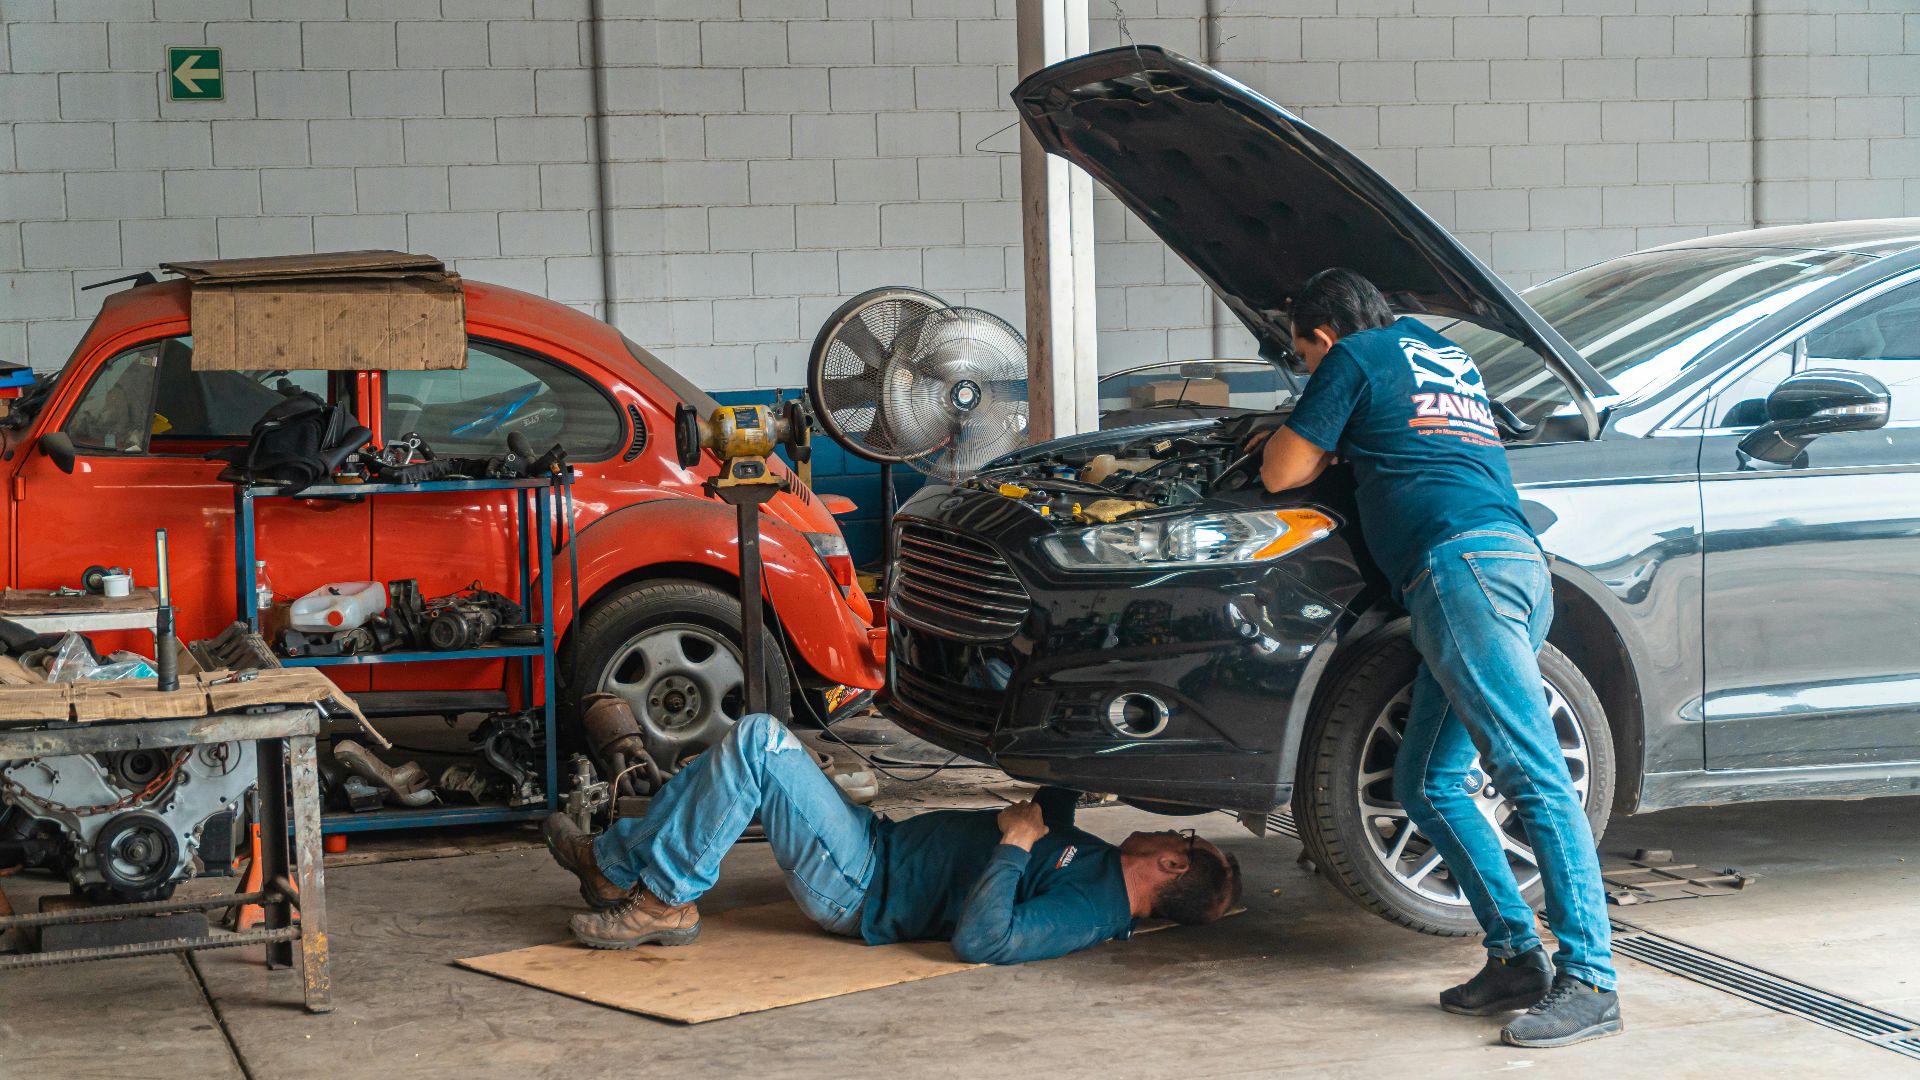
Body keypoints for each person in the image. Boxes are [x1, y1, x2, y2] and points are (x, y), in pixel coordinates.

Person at [1254, 268, 1621, 1048]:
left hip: (1464, 577)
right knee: (1428, 783)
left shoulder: (1351, 357)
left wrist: (1309, 424)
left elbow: (1282, 471)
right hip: (1514, 562)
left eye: (1303, 358)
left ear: (1323, 334)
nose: (1311, 370)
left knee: (1533, 779)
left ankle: (1591, 981)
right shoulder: (1440, 353)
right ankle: (1519, 957)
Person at [543, 712, 1241, 964]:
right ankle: (613, 866)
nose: (1164, 828)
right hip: (876, 846)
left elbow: (985, 942)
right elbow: (1052, 812)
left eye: (1178, 834)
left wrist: (1016, 845)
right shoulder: (1095, 866)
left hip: (860, 889)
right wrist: (1073, 757)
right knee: (727, 765)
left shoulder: (1091, 912)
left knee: (760, 743)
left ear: (1172, 863)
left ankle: (665, 900)